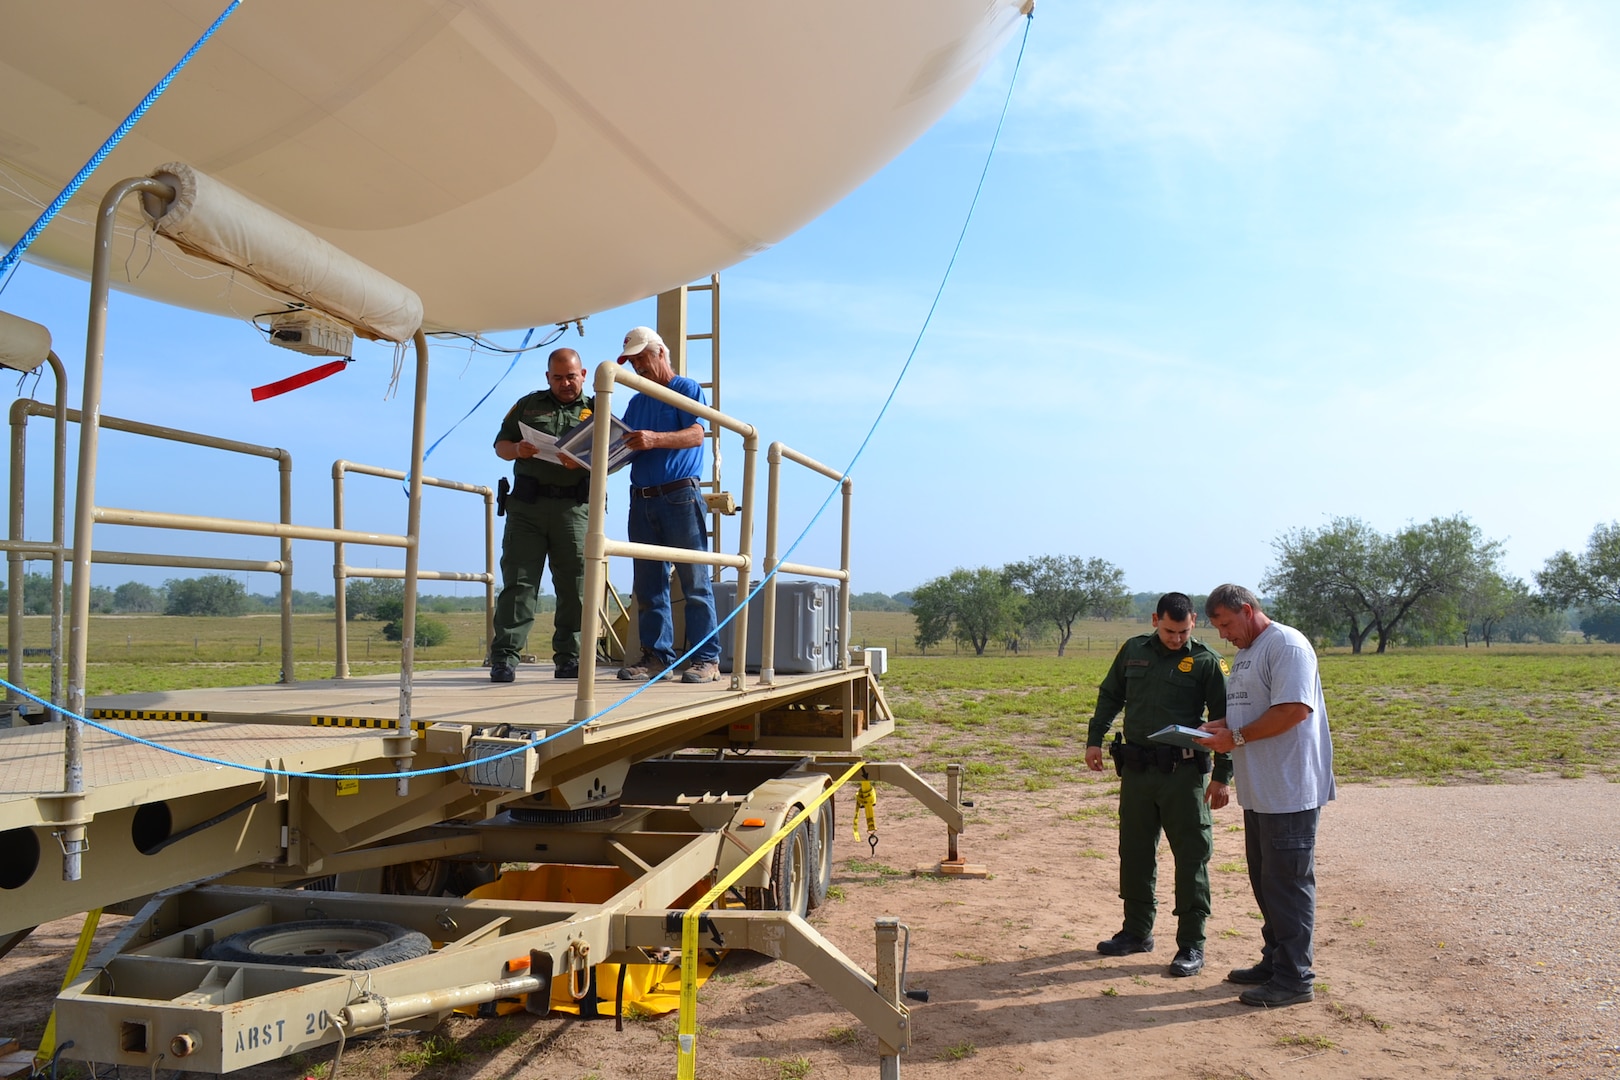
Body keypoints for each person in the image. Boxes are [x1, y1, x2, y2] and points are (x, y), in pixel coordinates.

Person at [1196, 583, 1336, 1008]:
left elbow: (1294, 710)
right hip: (1261, 792)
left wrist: (1234, 736)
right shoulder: (1247, 654)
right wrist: (1217, 726)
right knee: (1266, 881)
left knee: (1288, 885)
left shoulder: (1288, 645)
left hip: (1289, 791)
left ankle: (1295, 978)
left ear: (1248, 609)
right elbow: (1253, 709)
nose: (1223, 634)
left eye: (1225, 623)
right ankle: (1275, 961)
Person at [1086, 592, 1232, 978]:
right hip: (1136, 773)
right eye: (1169, 630)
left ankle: (1191, 946)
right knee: (1134, 853)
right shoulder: (1133, 650)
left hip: (1184, 777)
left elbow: (1225, 720)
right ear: (1155, 620)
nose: (1176, 638)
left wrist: (1222, 776)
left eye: (1183, 631)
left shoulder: (1207, 661)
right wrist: (1093, 739)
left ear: (1193, 623)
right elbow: (1110, 695)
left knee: (1191, 858)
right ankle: (1136, 932)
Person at [614, 326, 720, 684]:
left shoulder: (686, 389)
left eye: (643, 357)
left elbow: (696, 435)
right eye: (632, 361)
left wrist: (653, 439)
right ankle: (657, 657)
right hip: (642, 498)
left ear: (661, 353)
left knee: (695, 580)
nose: (638, 367)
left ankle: (707, 659)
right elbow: (627, 447)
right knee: (648, 584)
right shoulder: (635, 402)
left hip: (678, 495)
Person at [488, 348, 592, 682]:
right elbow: (501, 446)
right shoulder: (527, 405)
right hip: (527, 509)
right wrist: (518, 449)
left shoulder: (599, 410)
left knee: (575, 585)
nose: (565, 383)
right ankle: (504, 658)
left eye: (571, 377)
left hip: (573, 509)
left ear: (583, 375)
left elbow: (613, 457)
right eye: (558, 377)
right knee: (518, 583)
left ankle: (569, 658)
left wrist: (582, 461)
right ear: (548, 377)